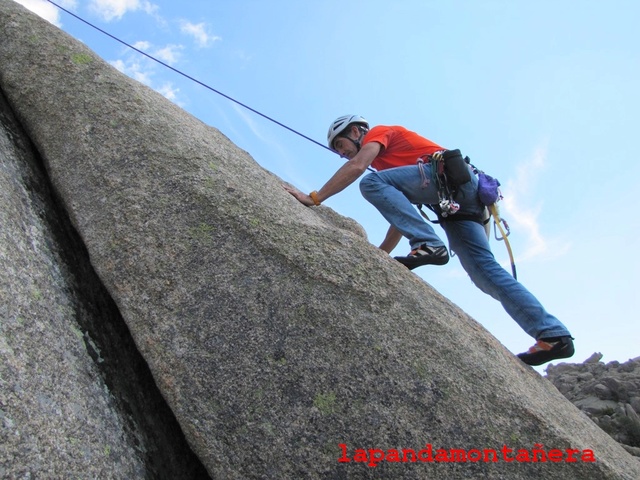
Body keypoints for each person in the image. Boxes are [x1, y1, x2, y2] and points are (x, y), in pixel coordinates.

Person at [285, 114, 574, 366]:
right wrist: (380, 253)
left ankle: (429, 244)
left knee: (370, 182)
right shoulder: (390, 171)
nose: (340, 153)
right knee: (483, 273)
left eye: (340, 144)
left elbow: (359, 167)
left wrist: (315, 198)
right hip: (462, 202)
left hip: (450, 183)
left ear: (357, 132)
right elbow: (400, 218)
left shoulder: (379, 133)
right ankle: (552, 335)